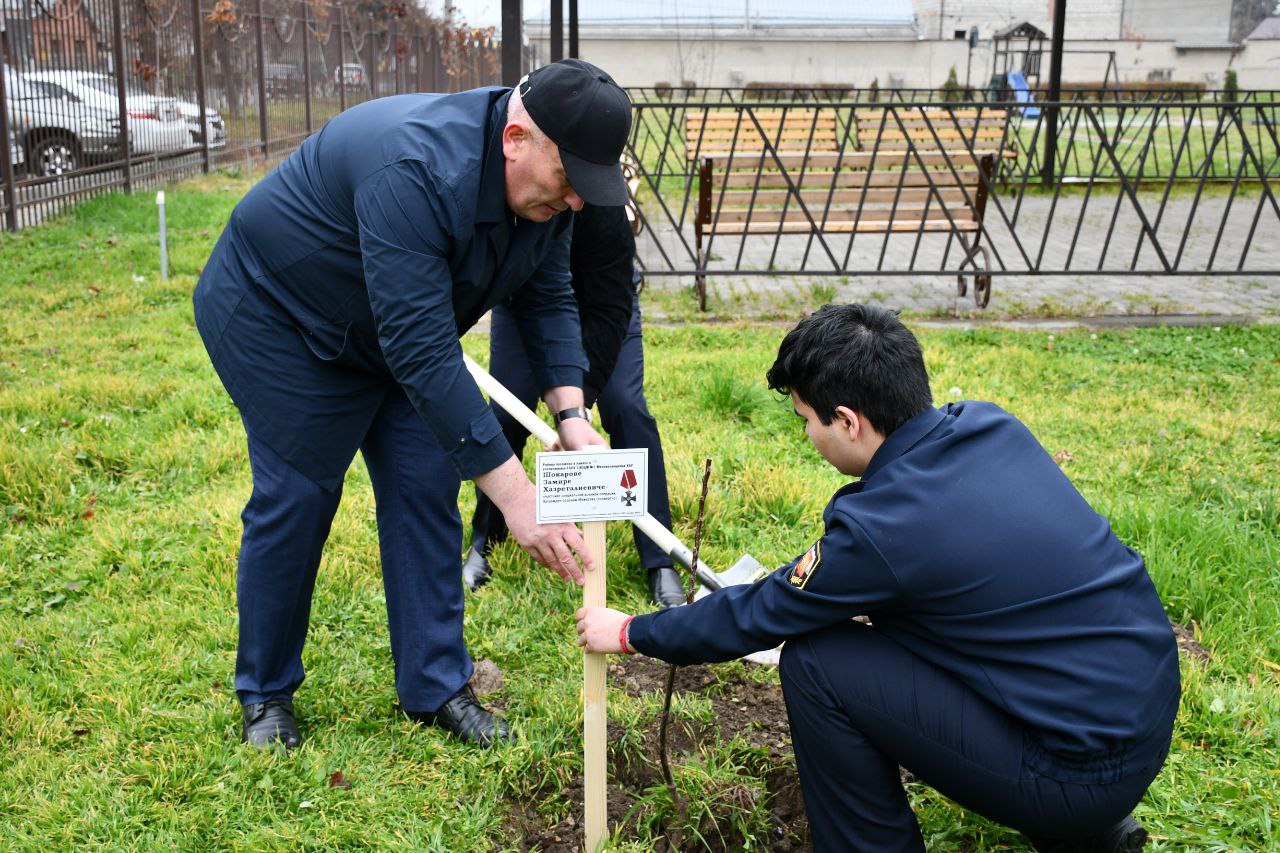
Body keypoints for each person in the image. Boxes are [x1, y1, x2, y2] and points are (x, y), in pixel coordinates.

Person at [576, 304, 1180, 852]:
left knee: (818, 661)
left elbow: (760, 613)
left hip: (1074, 774)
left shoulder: (884, 530)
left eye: (805, 420)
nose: (806, 436)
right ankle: (1093, 834)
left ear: (847, 420)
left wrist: (629, 632)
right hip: (1142, 714)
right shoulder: (990, 426)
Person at [193, 59, 633, 751]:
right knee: (301, 493)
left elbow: (546, 295)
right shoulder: (417, 168)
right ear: (515, 137)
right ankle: (266, 692)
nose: (577, 201)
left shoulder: (547, 197)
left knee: (428, 479)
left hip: (390, 328)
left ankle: (434, 684)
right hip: (280, 315)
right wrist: (516, 495)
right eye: (569, 180)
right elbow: (422, 349)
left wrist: (572, 416)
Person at [463, 203, 684, 608]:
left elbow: (611, 307)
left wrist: (575, 412)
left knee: (626, 407)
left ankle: (660, 559)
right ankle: (486, 540)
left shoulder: (602, 206)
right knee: (505, 413)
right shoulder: (522, 193)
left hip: (601, 306)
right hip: (526, 303)